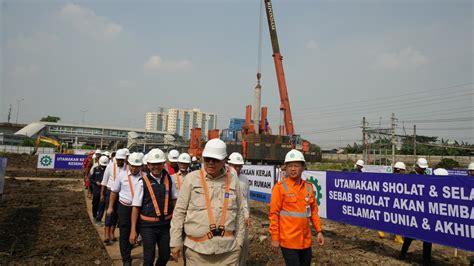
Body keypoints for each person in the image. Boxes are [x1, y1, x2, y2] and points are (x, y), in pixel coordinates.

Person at [170, 139, 245, 265]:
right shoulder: (191, 179)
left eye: (215, 160)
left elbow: (240, 212)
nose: (210, 163)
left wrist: (239, 243)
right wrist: (175, 242)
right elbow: (179, 212)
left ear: (224, 161)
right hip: (197, 253)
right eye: (207, 159)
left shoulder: (233, 181)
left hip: (228, 253)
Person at [269, 149, 324, 266]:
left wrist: (319, 231)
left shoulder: (308, 187)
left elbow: (313, 212)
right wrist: (275, 238)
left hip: (305, 241)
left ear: (303, 167)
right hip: (288, 242)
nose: (293, 169)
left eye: (296, 166)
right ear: (286, 168)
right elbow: (274, 214)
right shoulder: (279, 188)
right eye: (289, 166)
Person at [130, 148, 178, 266]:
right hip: (147, 227)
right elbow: (136, 207)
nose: (156, 167)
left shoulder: (170, 180)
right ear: (148, 165)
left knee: (165, 256)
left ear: (163, 164)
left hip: (165, 226)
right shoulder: (142, 182)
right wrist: (133, 230)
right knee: (149, 258)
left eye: (159, 164)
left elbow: (174, 200)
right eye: (153, 164)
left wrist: (177, 224)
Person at [108, 152, 143, 266]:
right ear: (128, 164)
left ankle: (129, 247)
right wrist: (110, 207)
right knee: (124, 233)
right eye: (132, 165)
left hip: (139, 209)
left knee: (136, 231)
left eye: (136, 166)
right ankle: (126, 260)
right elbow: (114, 192)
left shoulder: (145, 177)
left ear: (141, 166)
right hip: (124, 208)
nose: (134, 168)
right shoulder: (122, 175)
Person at [400, 157, 431, 265]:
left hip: (424, 213)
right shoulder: (411, 177)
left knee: (427, 238)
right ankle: (402, 254)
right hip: (413, 212)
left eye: (424, 168)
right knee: (409, 236)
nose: (423, 170)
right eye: (421, 168)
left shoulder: (427, 178)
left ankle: (426, 260)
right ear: (416, 167)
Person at [227, 152, 250, 266]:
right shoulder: (224, 179)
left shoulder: (244, 180)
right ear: (229, 164)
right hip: (228, 218)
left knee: (243, 244)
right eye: (234, 166)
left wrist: (246, 215)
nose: (237, 168)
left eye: (239, 166)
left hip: (242, 218)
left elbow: (246, 199)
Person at [101, 148, 128, 244]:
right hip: (110, 192)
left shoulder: (127, 167)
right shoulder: (110, 166)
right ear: (116, 159)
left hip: (121, 193)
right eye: (118, 159)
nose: (120, 161)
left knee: (117, 213)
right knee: (109, 213)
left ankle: (112, 233)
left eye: (122, 159)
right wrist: (102, 194)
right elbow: (104, 181)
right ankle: (106, 234)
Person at [90, 155, 109, 225]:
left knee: (102, 204)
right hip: (96, 190)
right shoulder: (95, 169)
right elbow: (91, 179)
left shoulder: (108, 170)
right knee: (95, 203)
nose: (104, 166)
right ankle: (94, 215)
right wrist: (96, 182)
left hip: (104, 190)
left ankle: (99, 218)